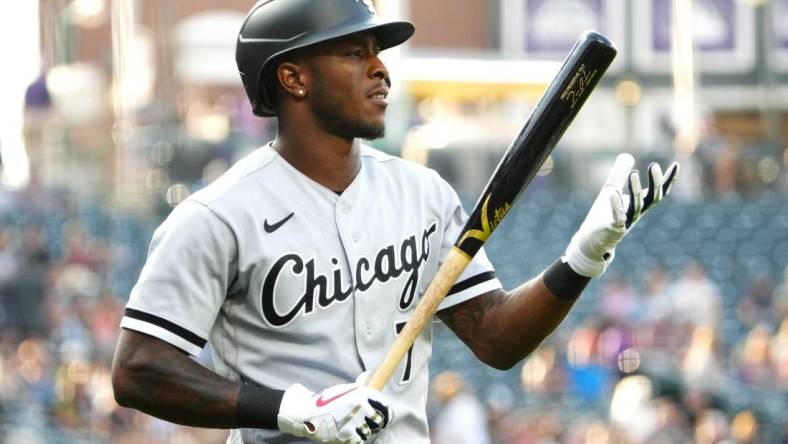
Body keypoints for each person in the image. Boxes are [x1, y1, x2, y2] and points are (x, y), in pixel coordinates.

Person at [110, 1, 680, 443]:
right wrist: (294, 410)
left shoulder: (422, 192)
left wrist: (582, 256)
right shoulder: (216, 216)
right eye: (355, 53)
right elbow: (138, 369)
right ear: (294, 78)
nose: (381, 70)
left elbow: (496, 338)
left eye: (377, 52)